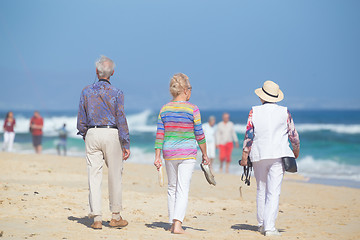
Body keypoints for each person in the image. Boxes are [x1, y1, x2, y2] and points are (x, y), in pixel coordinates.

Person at [240, 80, 300, 236]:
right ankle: (270, 227)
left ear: (262, 97)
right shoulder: (284, 111)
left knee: (261, 189)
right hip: (279, 154)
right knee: (274, 191)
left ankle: (261, 224)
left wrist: (245, 155)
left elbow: (249, 135)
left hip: (259, 154)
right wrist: (296, 150)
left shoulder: (254, 111)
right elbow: (293, 134)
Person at [77, 55, 131, 230]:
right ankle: (115, 216)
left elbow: (81, 119)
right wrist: (126, 143)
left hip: (92, 132)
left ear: (96, 71)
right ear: (112, 73)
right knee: (115, 174)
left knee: (94, 175)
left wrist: (86, 133)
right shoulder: (117, 92)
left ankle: (97, 218)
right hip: (111, 132)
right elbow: (120, 118)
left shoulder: (86, 91)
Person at [154, 73, 209, 234]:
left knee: (172, 188)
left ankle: (173, 223)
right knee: (182, 188)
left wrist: (157, 156)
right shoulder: (193, 109)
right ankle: (177, 224)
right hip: (187, 153)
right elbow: (199, 134)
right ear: (185, 90)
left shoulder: (164, 109)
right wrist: (205, 154)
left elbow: (159, 135)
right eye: (190, 88)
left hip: (169, 153)